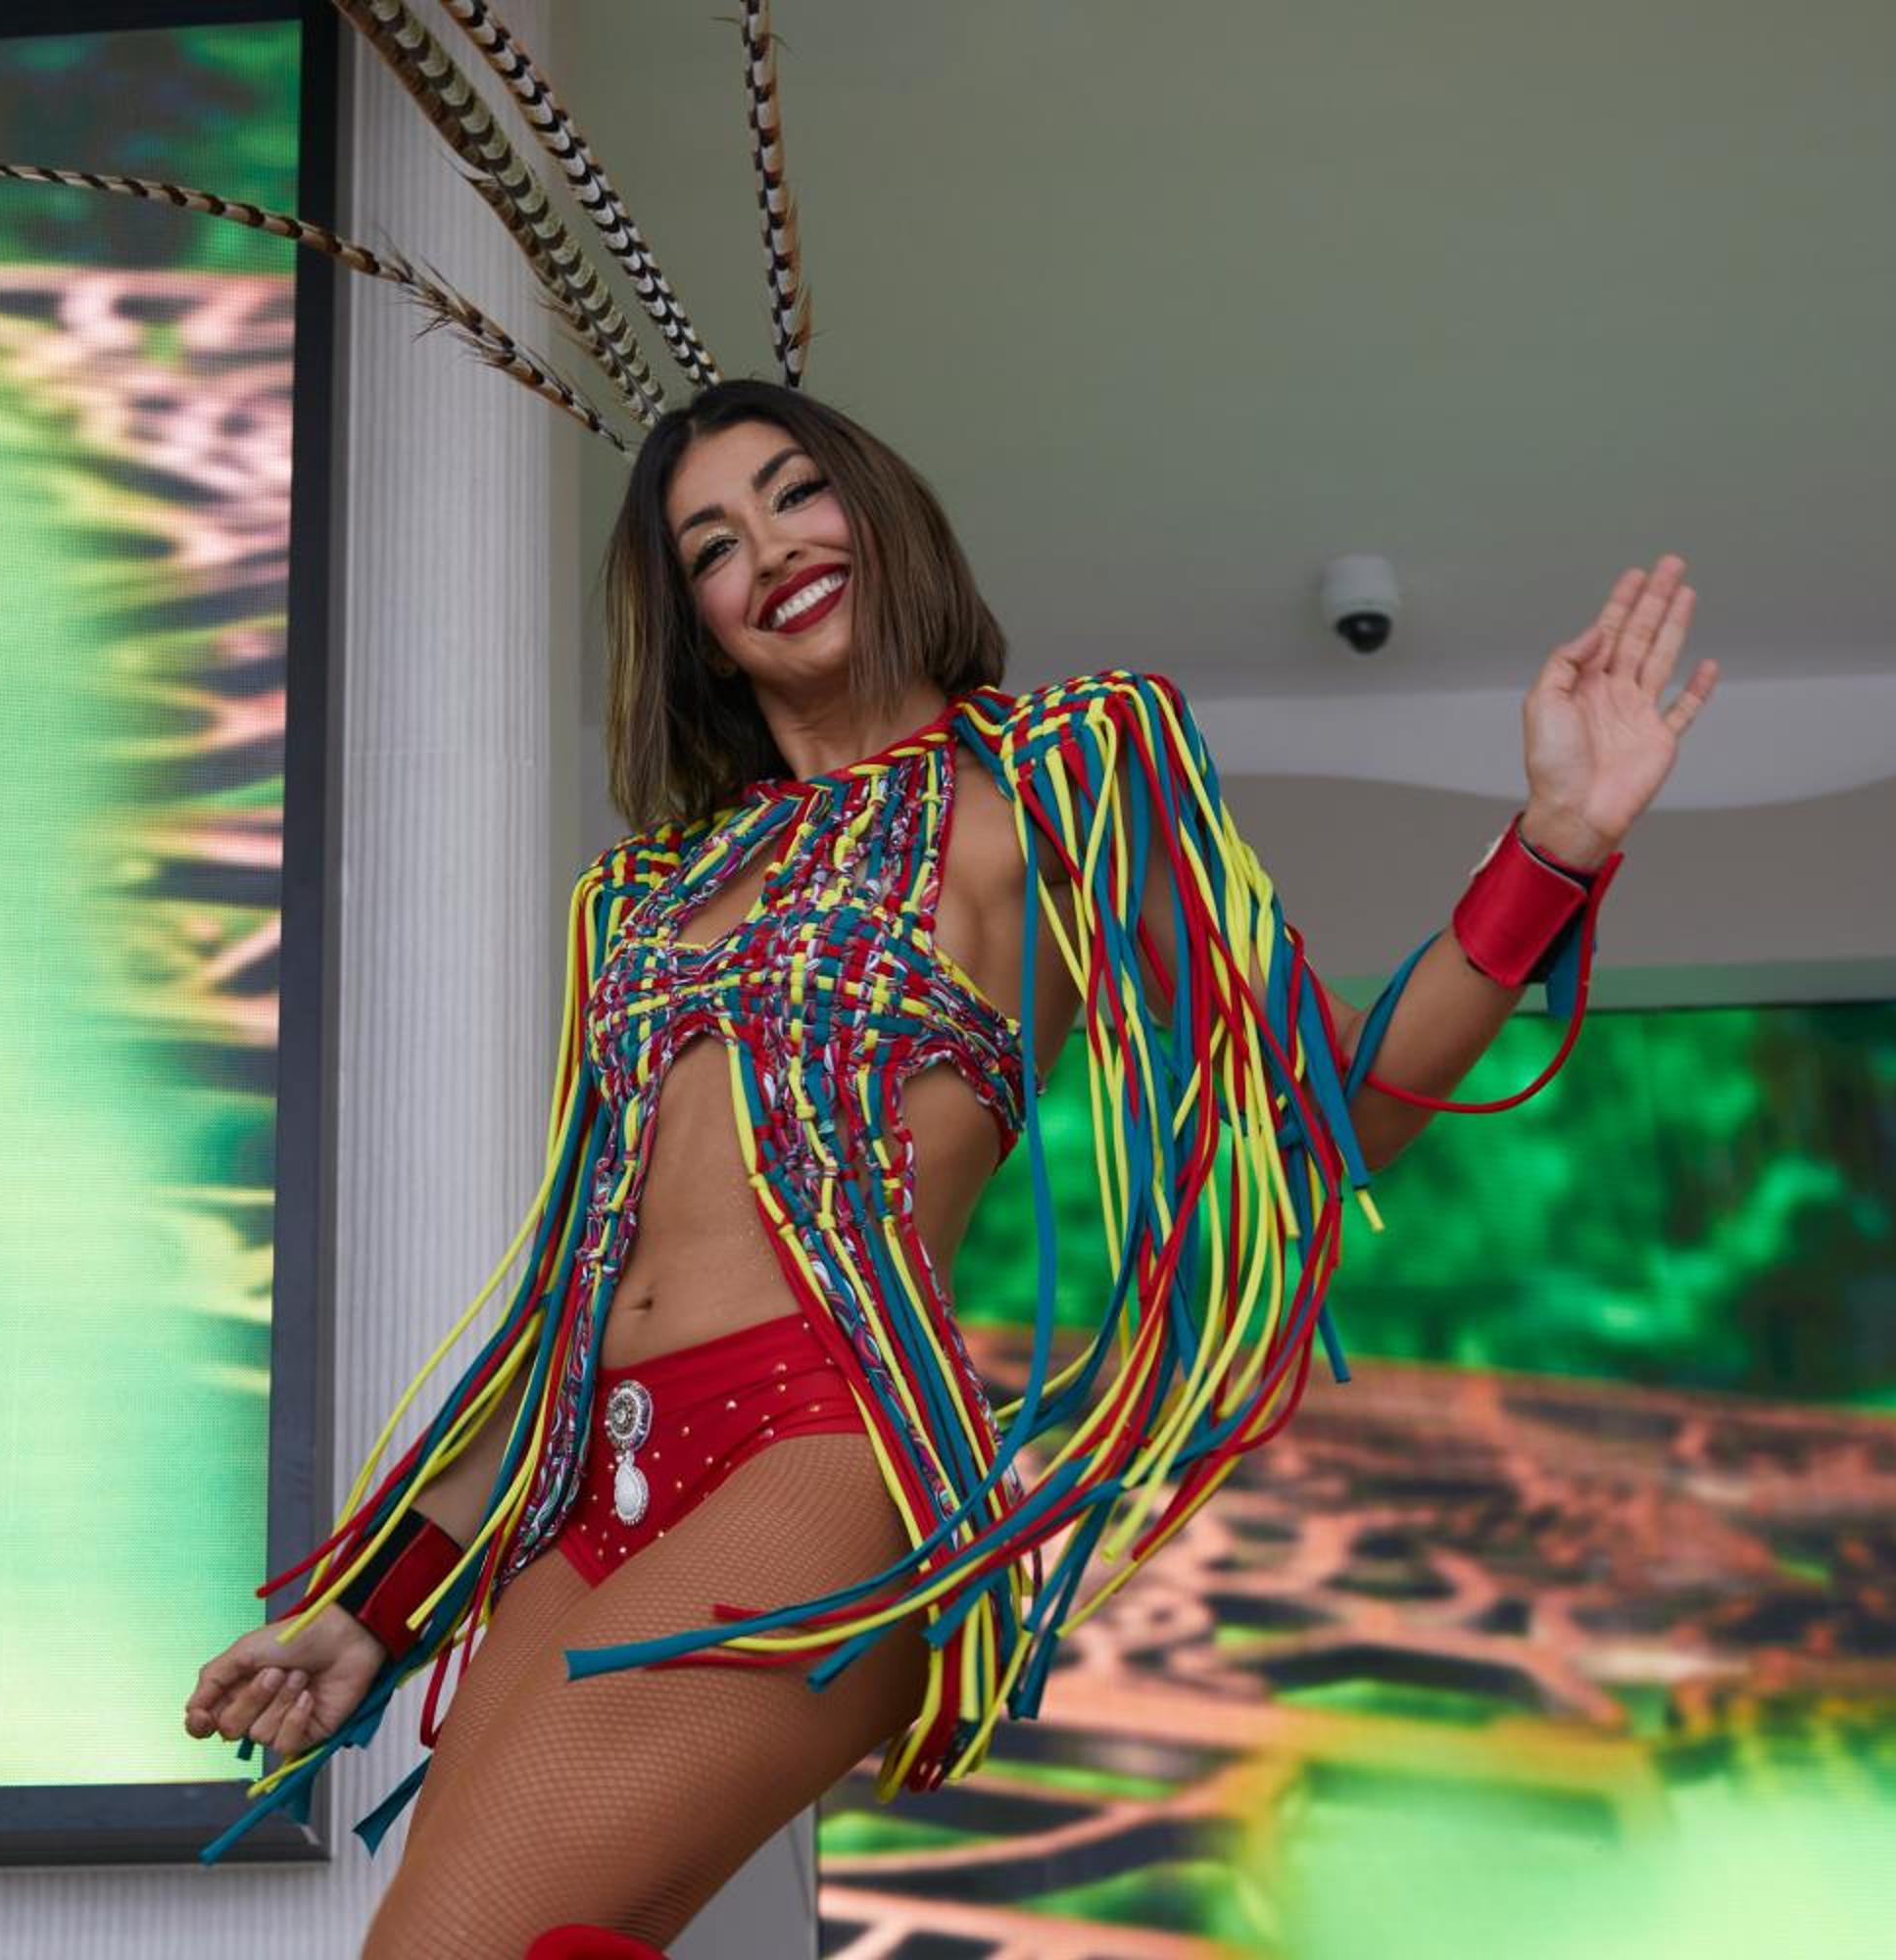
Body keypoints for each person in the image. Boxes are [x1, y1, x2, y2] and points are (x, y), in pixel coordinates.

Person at [182, 380, 1714, 1955]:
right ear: (699, 624)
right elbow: (574, 1308)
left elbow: (1329, 1111)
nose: (771, 549)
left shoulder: (1059, 781)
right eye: (714, 545)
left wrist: (1555, 846)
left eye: (795, 494)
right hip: (596, 1478)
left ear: (878, 507)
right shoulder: (638, 900)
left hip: (828, 1448)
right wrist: (374, 1606)